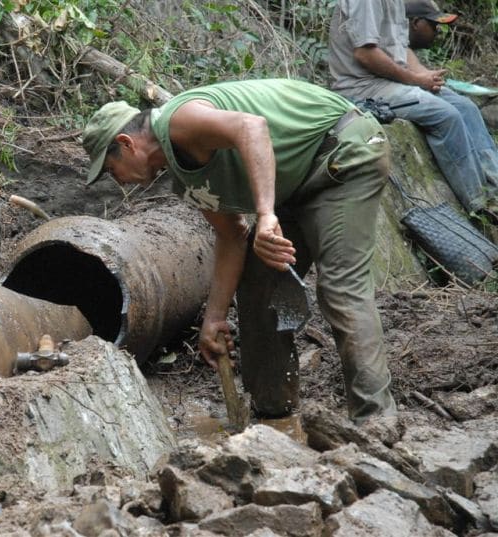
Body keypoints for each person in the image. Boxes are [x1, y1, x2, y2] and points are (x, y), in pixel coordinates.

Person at [81, 78, 397, 425]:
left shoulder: (177, 119)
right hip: (295, 184)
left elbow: (252, 127)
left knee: (340, 289)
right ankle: (274, 413)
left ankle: (376, 422)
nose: (119, 181)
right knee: (258, 287)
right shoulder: (182, 176)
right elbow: (232, 236)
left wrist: (266, 214)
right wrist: (214, 318)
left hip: (341, 153)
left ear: (126, 144)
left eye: (112, 170)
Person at [328, 0, 498, 220]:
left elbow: (400, 47)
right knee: (447, 115)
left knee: (467, 108)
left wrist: (424, 77)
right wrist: (415, 79)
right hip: (362, 87)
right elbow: (365, 54)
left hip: (391, 82)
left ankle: (495, 187)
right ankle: (480, 204)